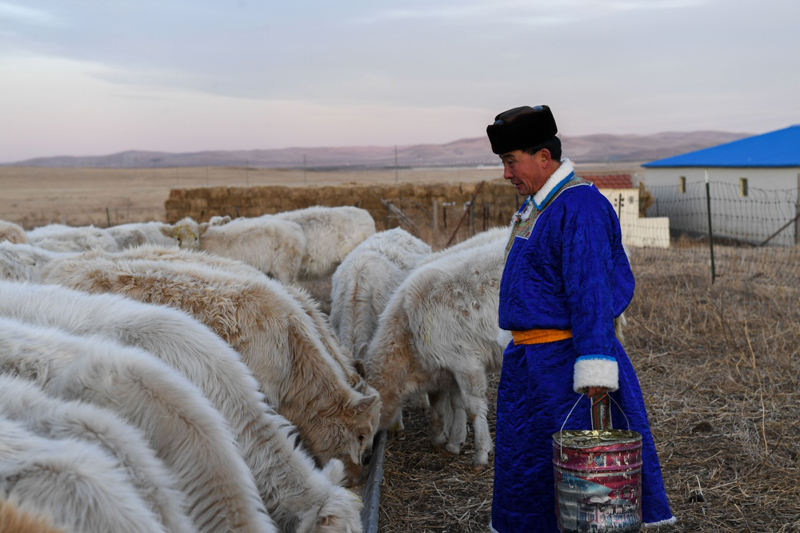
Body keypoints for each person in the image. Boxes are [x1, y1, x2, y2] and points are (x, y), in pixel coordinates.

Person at [486, 105, 675, 532]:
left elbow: (591, 291)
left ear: (543, 158)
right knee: (532, 469)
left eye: (511, 162)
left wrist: (595, 370)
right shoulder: (541, 206)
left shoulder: (580, 206)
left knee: (577, 481)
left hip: (564, 371)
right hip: (533, 368)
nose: (506, 173)